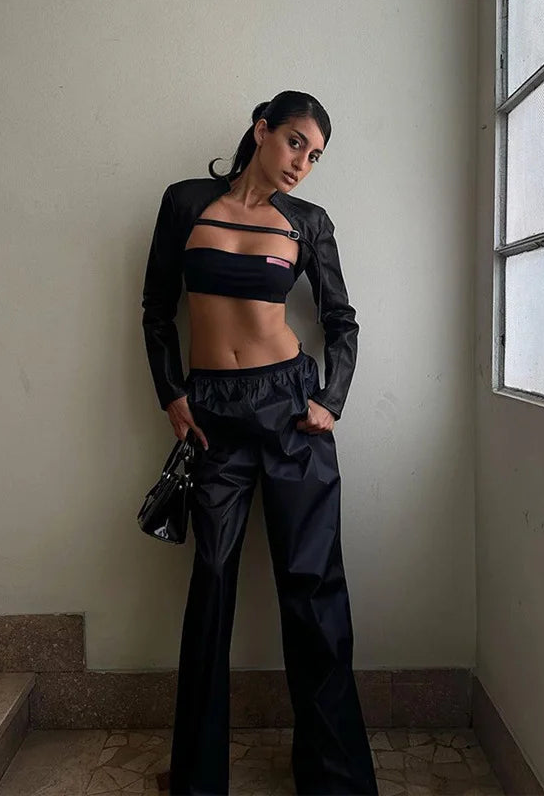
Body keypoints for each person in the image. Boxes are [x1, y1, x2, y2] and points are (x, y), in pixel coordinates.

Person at [141, 90, 377, 796]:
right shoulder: (186, 202)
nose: (302, 162)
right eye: (295, 142)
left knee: (313, 588)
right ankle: (198, 780)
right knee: (212, 585)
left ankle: (335, 783)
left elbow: (341, 320)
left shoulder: (309, 222)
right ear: (262, 129)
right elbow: (156, 308)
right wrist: (171, 392)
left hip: (291, 413)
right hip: (212, 414)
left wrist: (330, 399)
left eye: (315, 155)